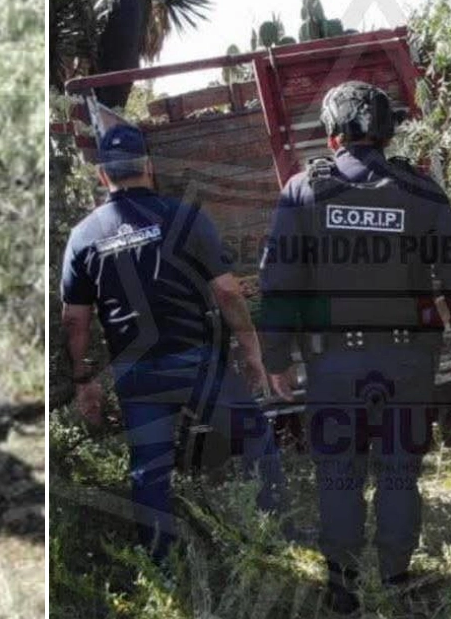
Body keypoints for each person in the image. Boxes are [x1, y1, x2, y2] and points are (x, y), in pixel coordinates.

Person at [259, 81, 451, 613]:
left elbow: (277, 283)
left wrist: (275, 360)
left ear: (333, 133)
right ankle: (397, 577)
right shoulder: (422, 190)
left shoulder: (302, 191)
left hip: (334, 366)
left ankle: (343, 586)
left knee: (339, 473)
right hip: (408, 362)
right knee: (399, 471)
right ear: (386, 131)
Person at [59, 122, 283, 564]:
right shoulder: (185, 217)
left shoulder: (83, 236)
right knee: (257, 441)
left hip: (137, 373)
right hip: (198, 362)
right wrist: (253, 351)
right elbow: (227, 292)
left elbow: (74, 320)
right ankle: (270, 538)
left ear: (103, 176)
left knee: (150, 471)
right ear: (149, 167)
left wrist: (84, 379)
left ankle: (161, 567)